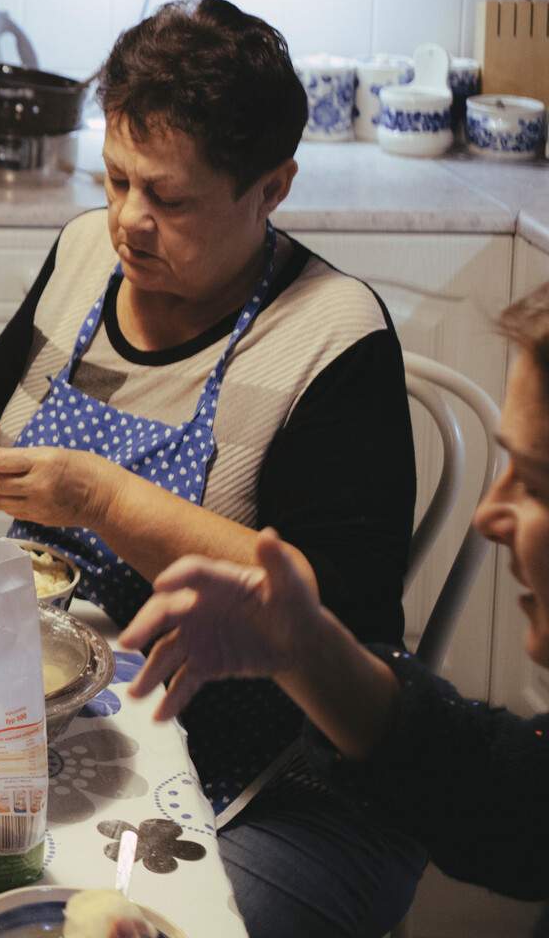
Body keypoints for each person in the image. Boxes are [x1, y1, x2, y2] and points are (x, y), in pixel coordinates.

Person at [0, 0, 425, 935]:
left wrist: (103, 500)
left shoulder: (333, 336)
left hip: (271, 778)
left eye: (170, 199)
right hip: (55, 718)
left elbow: (338, 618)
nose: (129, 223)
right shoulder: (80, 255)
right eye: (115, 181)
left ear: (272, 187)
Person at [121, 281, 549, 934]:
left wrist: (100, 499)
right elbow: (512, 801)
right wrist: (307, 649)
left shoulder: (341, 332)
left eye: (538, 484)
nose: (490, 514)